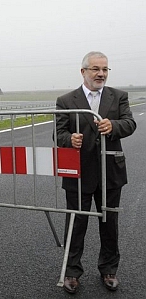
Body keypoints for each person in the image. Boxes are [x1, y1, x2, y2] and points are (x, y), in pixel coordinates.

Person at [55, 51, 136, 294]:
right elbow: (58, 135)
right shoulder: (66, 100)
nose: (101, 73)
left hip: (110, 173)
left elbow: (130, 124)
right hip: (78, 174)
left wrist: (113, 126)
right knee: (75, 224)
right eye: (95, 69)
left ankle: (109, 269)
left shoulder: (118, 96)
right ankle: (71, 272)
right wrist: (69, 139)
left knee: (109, 222)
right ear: (83, 72)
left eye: (105, 69)